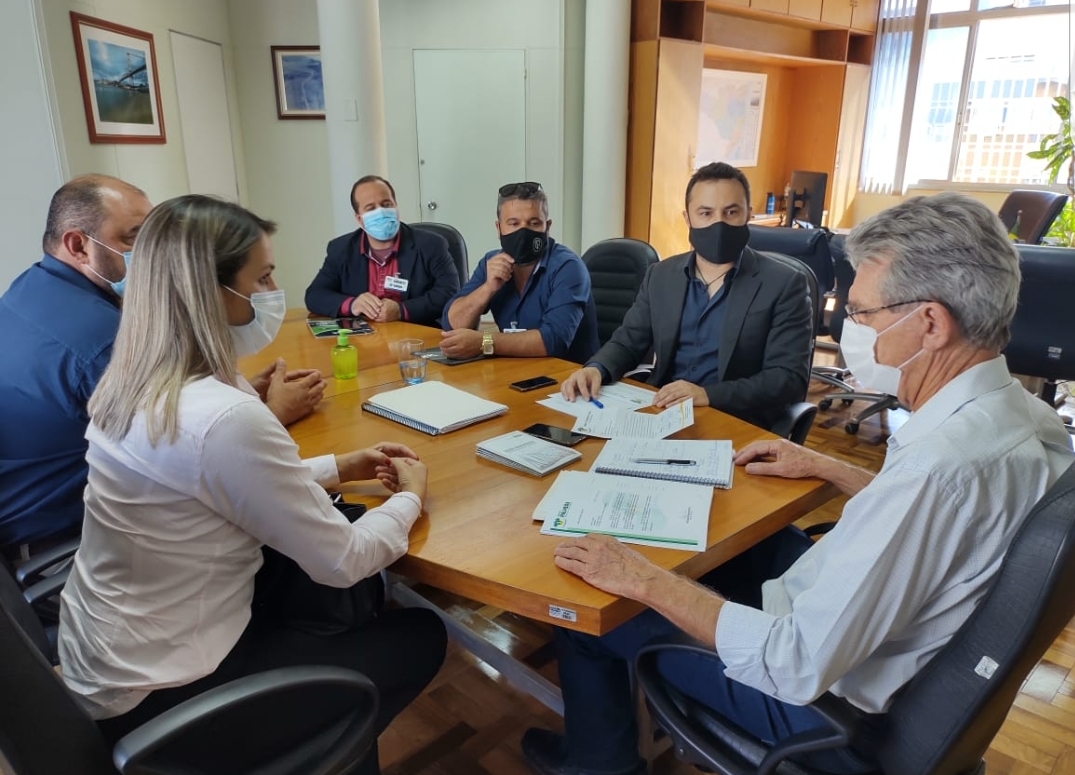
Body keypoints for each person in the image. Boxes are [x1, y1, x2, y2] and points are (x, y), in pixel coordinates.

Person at [522, 193, 1074, 775]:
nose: (850, 330)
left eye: (862, 314)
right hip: (872, 638)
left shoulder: (935, 471)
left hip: (818, 710)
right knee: (740, 547)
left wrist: (640, 579)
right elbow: (960, 525)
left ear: (931, 323)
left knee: (592, 610)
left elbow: (792, 662)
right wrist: (834, 469)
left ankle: (598, 764)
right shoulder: (1023, 419)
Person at [58, 195, 446, 774]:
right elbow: (343, 559)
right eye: (261, 276)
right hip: (166, 700)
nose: (271, 288)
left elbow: (213, 480)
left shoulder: (140, 376)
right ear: (209, 291)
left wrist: (340, 465)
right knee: (417, 634)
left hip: (110, 664)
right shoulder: (220, 414)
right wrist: (411, 497)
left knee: (314, 592)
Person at [0, 177, 324, 561]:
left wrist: (237, 393)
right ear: (78, 245)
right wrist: (272, 413)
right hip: (68, 534)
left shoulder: (30, 287)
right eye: (135, 237)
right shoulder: (107, 339)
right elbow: (187, 449)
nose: (155, 251)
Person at [559, 162, 813, 431]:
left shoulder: (784, 283)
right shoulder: (661, 275)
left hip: (734, 418)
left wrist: (708, 395)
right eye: (705, 213)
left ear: (748, 214)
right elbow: (628, 341)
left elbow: (787, 379)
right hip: (660, 411)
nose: (719, 223)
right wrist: (596, 368)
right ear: (687, 218)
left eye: (731, 212)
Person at [440, 181, 599, 364]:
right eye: (514, 224)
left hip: (568, 377)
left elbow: (555, 340)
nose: (524, 232)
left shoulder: (568, 267)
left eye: (534, 223)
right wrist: (488, 288)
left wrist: (485, 342)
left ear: (547, 227)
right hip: (513, 369)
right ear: (499, 229)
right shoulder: (491, 263)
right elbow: (452, 324)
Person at [305, 174, 460, 326]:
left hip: (414, 333)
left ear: (396, 206)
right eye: (370, 208)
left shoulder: (431, 245)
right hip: (364, 338)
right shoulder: (341, 249)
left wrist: (402, 310)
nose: (380, 212)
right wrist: (353, 304)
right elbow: (315, 295)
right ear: (359, 219)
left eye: (386, 204)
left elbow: (449, 292)